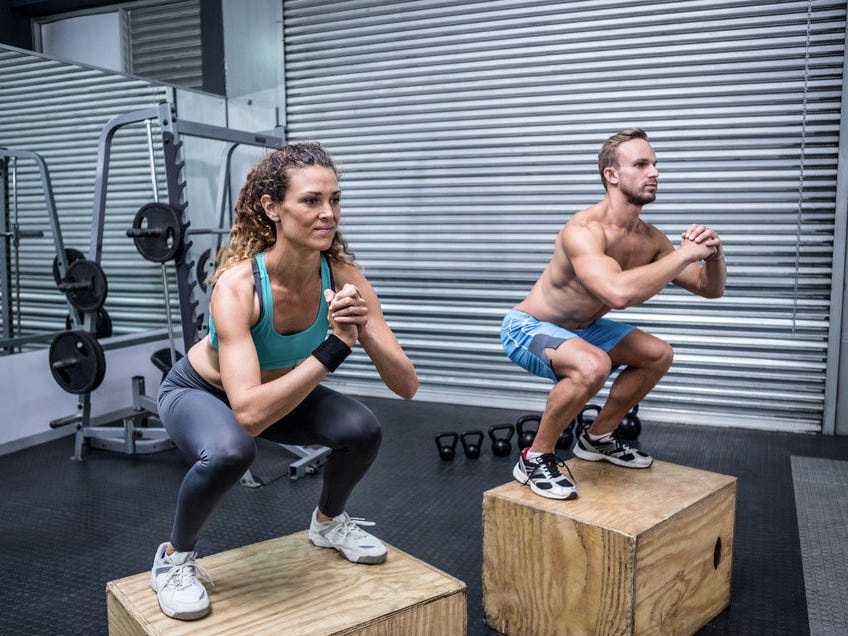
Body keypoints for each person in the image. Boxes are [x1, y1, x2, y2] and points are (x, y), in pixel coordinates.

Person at [150, 141, 418, 620]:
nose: (328, 213)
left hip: (274, 393)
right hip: (198, 392)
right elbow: (248, 415)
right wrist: (335, 346)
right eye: (311, 201)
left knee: (362, 429)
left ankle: (328, 523)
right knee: (232, 451)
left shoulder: (342, 274)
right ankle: (174, 560)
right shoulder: (239, 287)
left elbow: (406, 385)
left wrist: (364, 331)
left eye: (334, 199)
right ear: (272, 208)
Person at [500, 128, 726, 500]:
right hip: (529, 327)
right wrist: (684, 254)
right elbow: (617, 294)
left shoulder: (651, 239)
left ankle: (597, 438)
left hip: (585, 328)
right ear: (612, 175)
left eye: (655, 164)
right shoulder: (584, 230)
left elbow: (709, 288)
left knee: (658, 355)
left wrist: (714, 256)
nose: (654, 173)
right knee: (593, 365)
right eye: (641, 164)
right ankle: (534, 456)